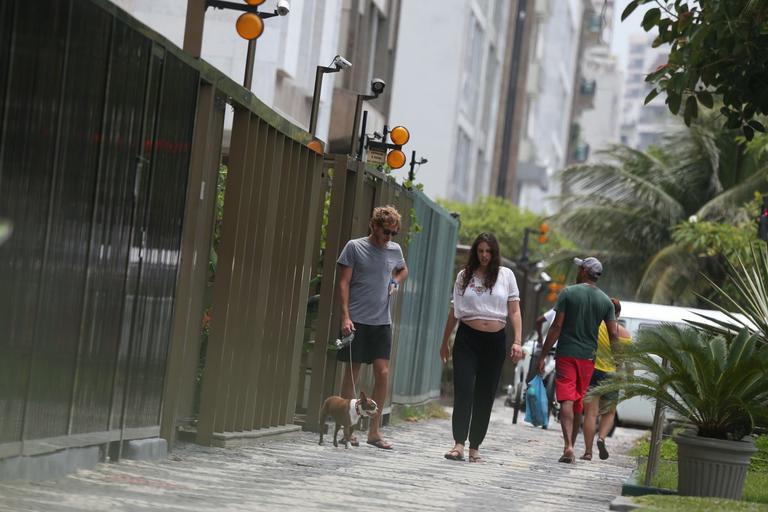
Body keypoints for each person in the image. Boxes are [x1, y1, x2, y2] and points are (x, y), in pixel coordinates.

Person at [440, 233, 524, 463]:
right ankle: (458, 443)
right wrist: (444, 342)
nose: (484, 255)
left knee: (485, 395)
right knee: (464, 390)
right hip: (467, 339)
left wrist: (517, 340)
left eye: (488, 251)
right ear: (475, 252)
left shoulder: (506, 276)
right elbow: (453, 311)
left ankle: (475, 446)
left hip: (495, 341)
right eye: (480, 251)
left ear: (494, 253)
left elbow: (514, 311)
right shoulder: (464, 276)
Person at [336, 205, 409, 450]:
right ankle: (348, 429)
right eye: (386, 232)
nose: (389, 238)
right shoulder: (354, 247)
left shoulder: (394, 250)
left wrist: (395, 283)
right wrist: (345, 317)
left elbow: (402, 270)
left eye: (394, 234)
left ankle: (374, 431)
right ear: (374, 226)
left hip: (381, 321)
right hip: (357, 319)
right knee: (353, 373)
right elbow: (344, 282)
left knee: (383, 372)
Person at [534, 257, 618, 464]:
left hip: (566, 355)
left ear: (583, 271)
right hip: (588, 359)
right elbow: (614, 335)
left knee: (566, 400)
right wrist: (618, 361)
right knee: (579, 402)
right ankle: (572, 445)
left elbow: (556, 327)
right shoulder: (606, 302)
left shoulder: (568, 293)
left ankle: (568, 446)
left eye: (579, 267)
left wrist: (543, 354)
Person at [581, 298, 632, 461]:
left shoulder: (594, 327)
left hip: (592, 371)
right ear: (618, 314)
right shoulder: (624, 333)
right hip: (612, 375)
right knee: (609, 413)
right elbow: (629, 361)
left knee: (590, 413)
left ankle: (588, 452)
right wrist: (630, 379)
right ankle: (601, 438)